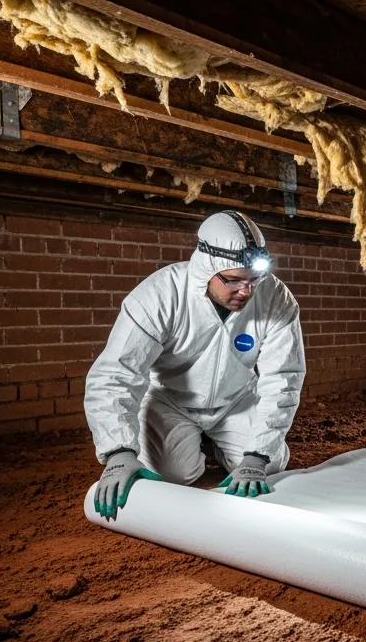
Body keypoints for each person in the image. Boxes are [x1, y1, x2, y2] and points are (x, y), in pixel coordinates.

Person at [85, 210, 305, 518]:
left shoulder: (275, 297)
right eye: (233, 280)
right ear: (206, 268)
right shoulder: (161, 294)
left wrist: (256, 457)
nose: (246, 291)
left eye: (254, 279)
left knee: (272, 464)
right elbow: (115, 373)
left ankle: (220, 445)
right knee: (174, 475)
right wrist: (118, 452)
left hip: (235, 400)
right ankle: (192, 441)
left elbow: (283, 378)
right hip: (171, 401)